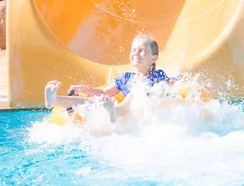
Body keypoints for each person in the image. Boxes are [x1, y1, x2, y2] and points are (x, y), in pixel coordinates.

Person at [45, 35, 178, 124]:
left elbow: (165, 89)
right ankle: (54, 100)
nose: (136, 53)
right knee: (96, 101)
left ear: (153, 58)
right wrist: (86, 89)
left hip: (139, 108)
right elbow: (104, 93)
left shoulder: (157, 75)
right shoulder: (126, 78)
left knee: (133, 95)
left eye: (141, 51)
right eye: (133, 50)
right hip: (125, 110)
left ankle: (114, 112)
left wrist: (168, 87)